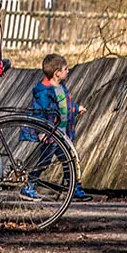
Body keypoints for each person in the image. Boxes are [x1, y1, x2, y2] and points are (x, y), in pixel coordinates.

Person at [28, 53, 93, 200]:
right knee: (44, 162)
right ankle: (29, 184)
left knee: (69, 160)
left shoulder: (60, 87)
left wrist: (76, 109)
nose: (68, 71)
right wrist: (41, 132)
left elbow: (65, 106)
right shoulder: (43, 91)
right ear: (57, 73)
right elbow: (40, 112)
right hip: (50, 135)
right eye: (66, 69)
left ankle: (74, 188)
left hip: (62, 133)